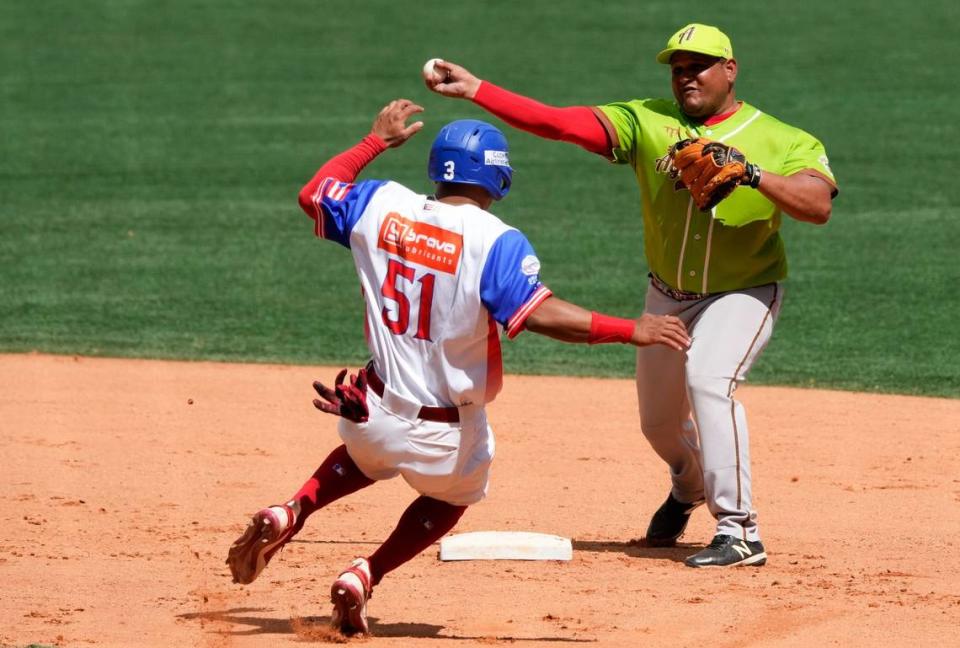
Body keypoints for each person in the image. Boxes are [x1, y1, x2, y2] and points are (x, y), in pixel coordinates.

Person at [225, 99, 690, 635]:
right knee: (456, 494)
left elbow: (314, 194)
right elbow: (540, 314)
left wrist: (375, 141)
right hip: (444, 433)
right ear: (498, 176)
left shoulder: (381, 203)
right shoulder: (495, 241)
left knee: (366, 456)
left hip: (368, 407)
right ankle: (364, 573)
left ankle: (292, 510)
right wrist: (633, 328)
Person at [426, 22, 838, 568]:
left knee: (709, 381)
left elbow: (817, 205)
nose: (687, 76)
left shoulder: (783, 138)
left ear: (730, 70)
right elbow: (559, 124)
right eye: (678, 68)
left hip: (743, 293)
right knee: (659, 424)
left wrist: (752, 173)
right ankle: (688, 485)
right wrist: (479, 89)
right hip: (666, 295)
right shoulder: (645, 120)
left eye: (700, 66)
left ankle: (741, 532)